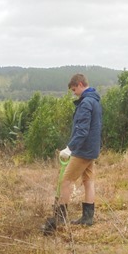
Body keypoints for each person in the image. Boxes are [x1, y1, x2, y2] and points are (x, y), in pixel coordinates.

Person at [43, 73, 102, 234]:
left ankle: (59, 219)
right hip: (92, 149)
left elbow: (82, 130)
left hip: (83, 150)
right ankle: (88, 218)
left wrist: (70, 148)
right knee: (88, 181)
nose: (74, 93)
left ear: (81, 84)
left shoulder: (86, 103)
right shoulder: (95, 100)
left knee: (66, 180)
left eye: (74, 89)